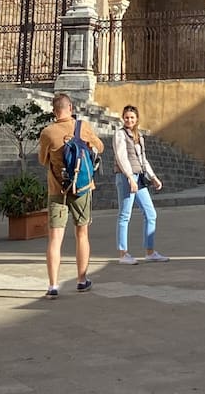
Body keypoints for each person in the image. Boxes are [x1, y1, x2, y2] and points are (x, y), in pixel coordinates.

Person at [38, 92, 104, 298]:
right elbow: (100, 147)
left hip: (57, 189)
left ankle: (53, 285)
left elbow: (42, 160)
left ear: (54, 111)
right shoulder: (82, 127)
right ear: (71, 109)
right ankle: (82, 280)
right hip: (82, 188)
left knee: (55, 238)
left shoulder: (48, 132)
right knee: (82, 234)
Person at [113, 105, 168, 264]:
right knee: (125, 215)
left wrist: (153, 177)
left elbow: (143, 160)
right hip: (126, 177)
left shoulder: (139, 137)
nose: (129, 120)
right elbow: (121, 157)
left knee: (151, 213)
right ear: (123, 118)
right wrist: (130, 178)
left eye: (132, 117)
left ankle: (150, 252)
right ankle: (123, 254)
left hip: (139, 178)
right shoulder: (120, 134)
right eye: (126, 117)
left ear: (137, 119)